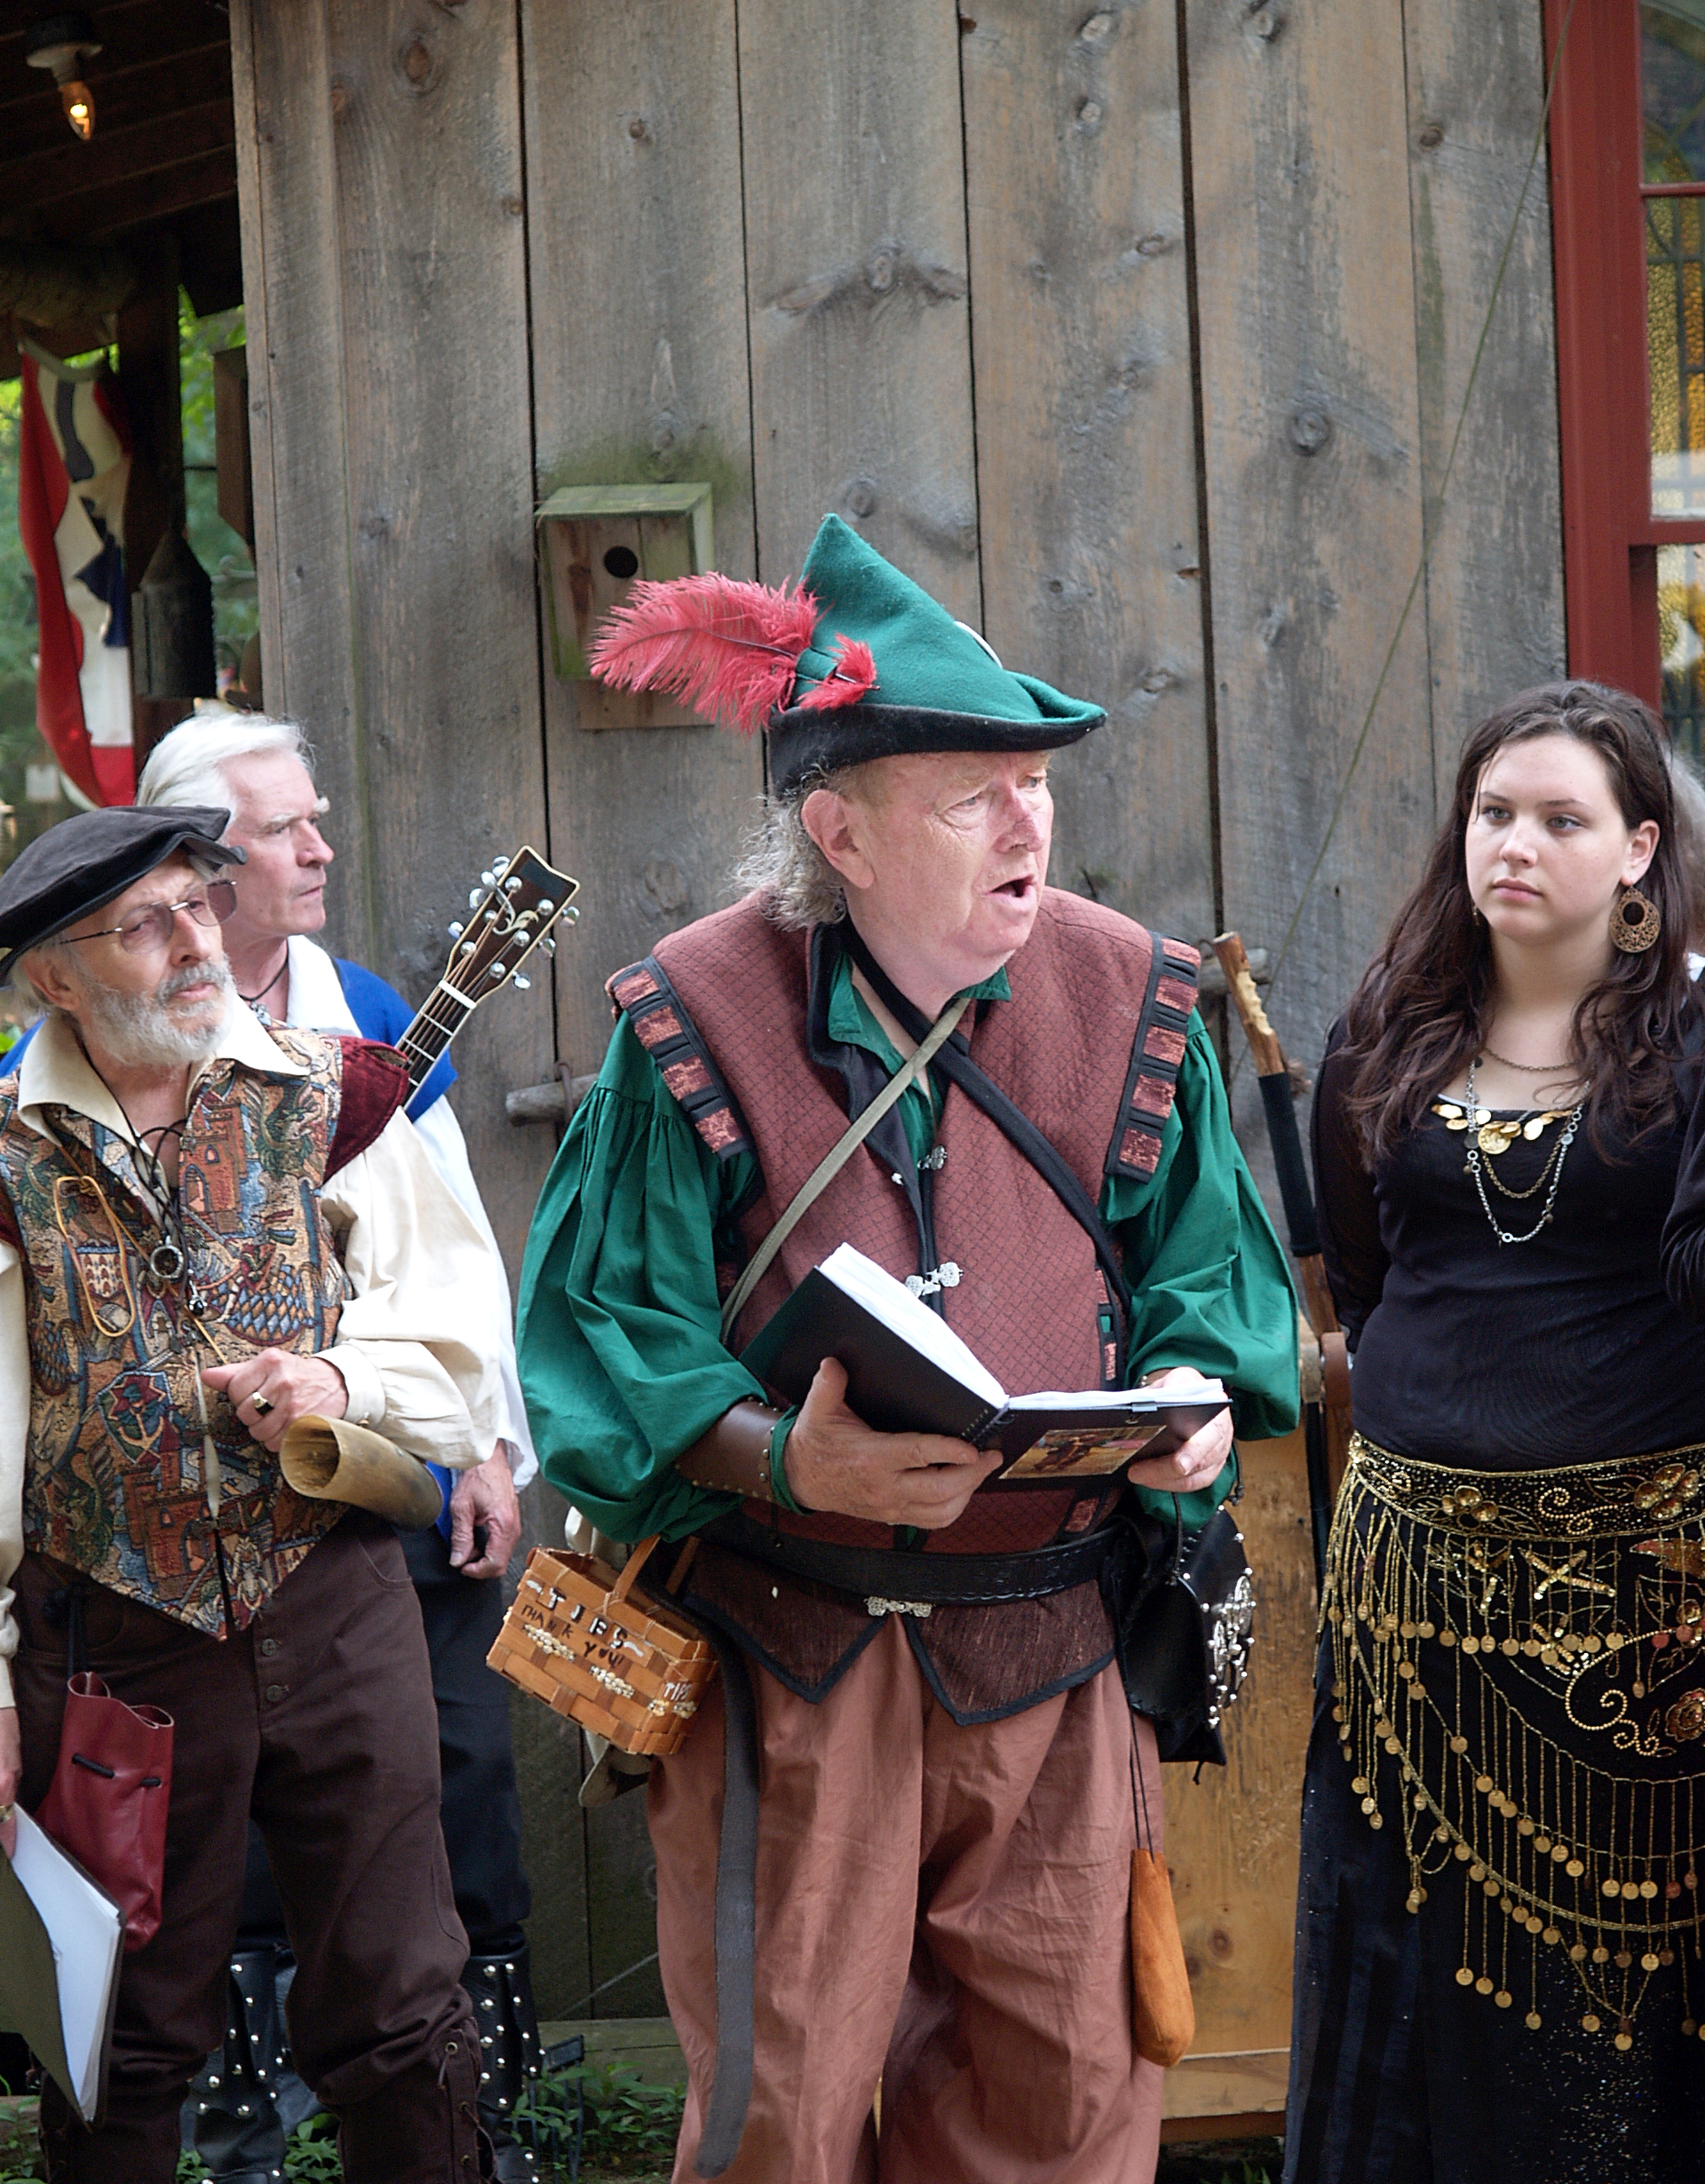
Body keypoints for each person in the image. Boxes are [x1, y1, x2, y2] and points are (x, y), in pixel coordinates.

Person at [517, 516, 1298, 2184]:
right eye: (971, 799)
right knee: (781, 2122)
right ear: (840, 833)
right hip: (791, 1661)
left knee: (1062, 2112)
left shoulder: (1136, 996)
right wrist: (788, 1459)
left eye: (1037, 787)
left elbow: (1207, 1282)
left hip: (1061, 1658)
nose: (1029, 827)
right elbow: (610, 1336)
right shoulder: (691, 1016)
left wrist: (1194, 1401)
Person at [0, 805, 509, 2180]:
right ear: (55, 977)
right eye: (143, 925)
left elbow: (460, 1330)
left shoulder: (331, 1091)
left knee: (402, 2005)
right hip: (113, 1639)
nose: (193, 943)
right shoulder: (5, 1158)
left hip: (334, 1604)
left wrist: (343, 1378)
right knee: (120, 2030)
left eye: (198, 906)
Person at [1289, 681, 1705, 2184]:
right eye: (1494, 812)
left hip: (1635, 1615)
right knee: (1407, 1964)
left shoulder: (1696, 1042)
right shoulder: (1384, 1032)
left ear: (1640, 848)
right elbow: (1365, 1276)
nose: (1514, 844)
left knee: (1617, 1997)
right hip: (1410, 1608)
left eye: (1561, 819)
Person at [127, 711, 543, 2180]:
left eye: (317, 817)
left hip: (387, 1467)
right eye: (284, 827)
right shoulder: (96, 1037)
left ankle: (477, 2114)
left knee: (458, 1778)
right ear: (197, 861)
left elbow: (456, 1255)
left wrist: (486, 1448)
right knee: (224, 1828)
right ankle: (247, 2128)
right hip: (190, 1509)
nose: (319, 848)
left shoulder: (365, 1009)